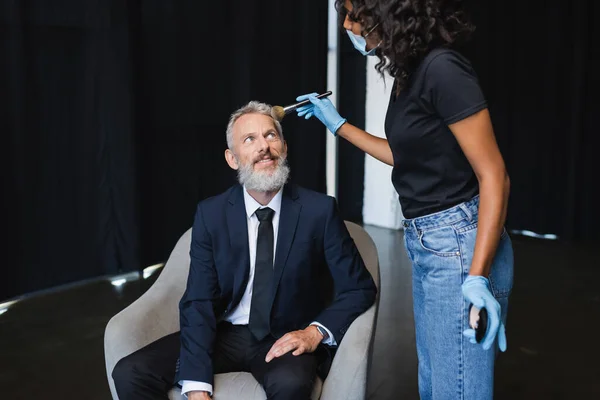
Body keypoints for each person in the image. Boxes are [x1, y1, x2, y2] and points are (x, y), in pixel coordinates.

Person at [295, 1, 514, 399]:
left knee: (457, 391)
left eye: (352, 13)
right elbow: (408, 154)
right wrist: (339, 125)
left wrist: (478, 275)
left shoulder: (443, 69)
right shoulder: (410, 70)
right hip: (429, 243)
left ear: (387, 13)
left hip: (459, 245)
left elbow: (494, 174)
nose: (346, 25)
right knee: (434, 385)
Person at [111, 101, 377, 400]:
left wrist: (313, 332)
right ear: (232, 158)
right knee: (129, 372)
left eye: (271, 136)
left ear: (284, 148)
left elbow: (359, 288)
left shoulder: (319, 210)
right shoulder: (211, 214)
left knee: (290, 384)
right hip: (225, 335)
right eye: (249, 139)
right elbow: (198, 300)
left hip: (285, 336)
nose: (264, 146)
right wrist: (196, 385)